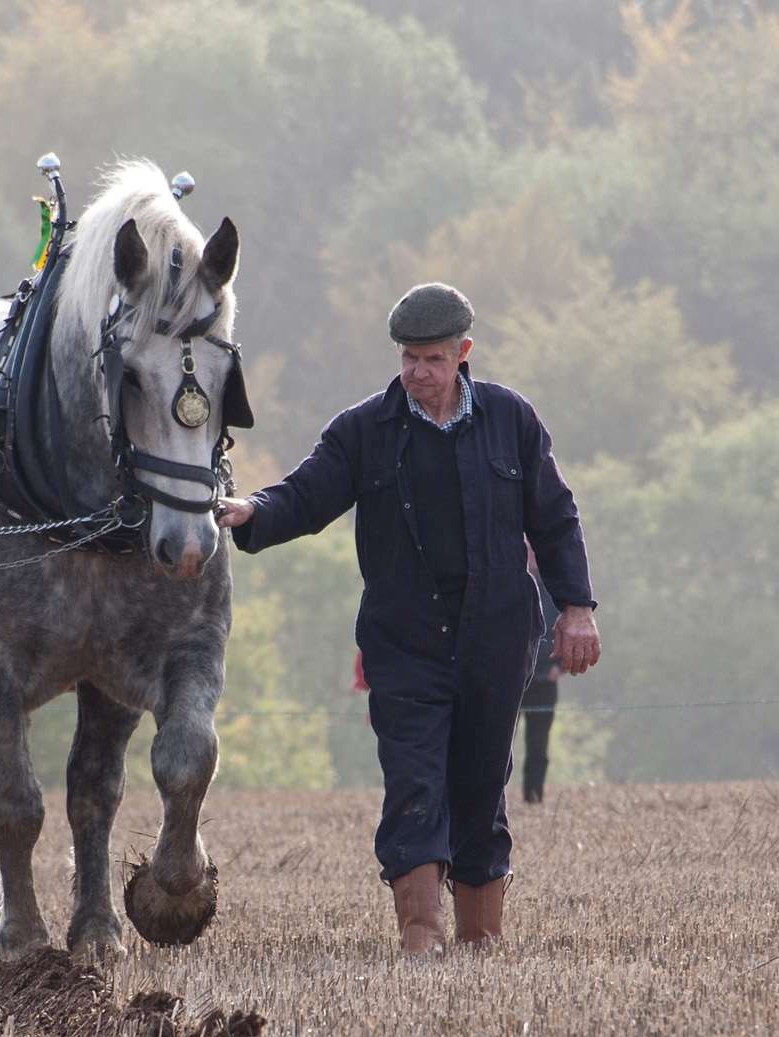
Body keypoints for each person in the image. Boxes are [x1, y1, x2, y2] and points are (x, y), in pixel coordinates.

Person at [217, 282, 601, 955]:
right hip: (405, 643)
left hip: (497, 638)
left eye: (430, 359)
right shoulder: (365, 430)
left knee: (481, 787)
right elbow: (307, 494)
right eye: (407, 358)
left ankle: (481, 941)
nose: (416, 373)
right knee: (415, 782)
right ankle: (420, 942)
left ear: (463, 354)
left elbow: (556, 517)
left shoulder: (512, 420)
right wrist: (254, 511)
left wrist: (576, 608)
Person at [520, 555, 562, 804]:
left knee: (538, 745)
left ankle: (534, 797)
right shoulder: (511, 582)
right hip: (512, 678)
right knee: (498, 744)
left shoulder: (555, 588)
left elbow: (565, 625)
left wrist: (559, 666)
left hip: (545, 679)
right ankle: (492, 799)